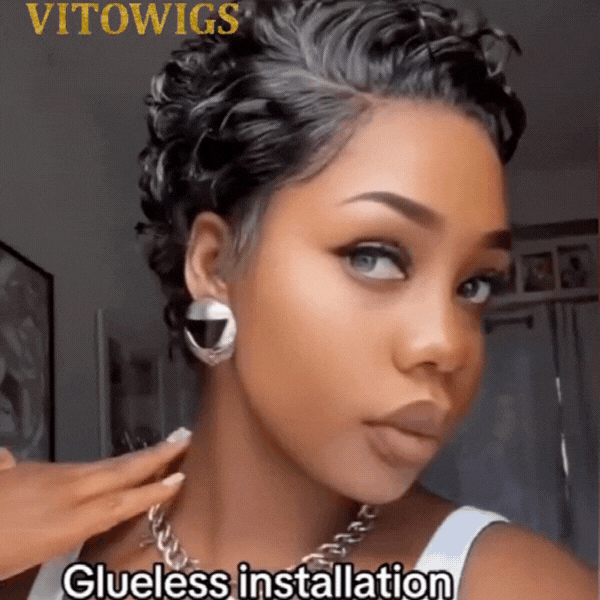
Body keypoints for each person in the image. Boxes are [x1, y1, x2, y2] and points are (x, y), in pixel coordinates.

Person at [11, 0, 597, 598]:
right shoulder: (31, 566)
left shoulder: (517, 586)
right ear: (215, 265)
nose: (447, 344)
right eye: (374, 256)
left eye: (474, 285)